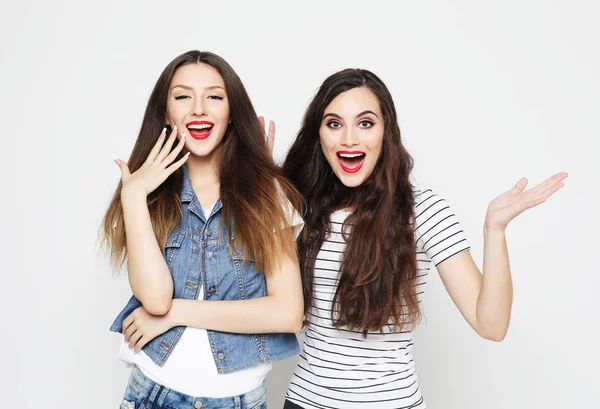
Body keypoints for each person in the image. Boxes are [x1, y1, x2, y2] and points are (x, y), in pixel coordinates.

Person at [279, 68, 567, 408]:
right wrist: (262, 188)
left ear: (386, 132)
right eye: (334, 124)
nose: (349, 140)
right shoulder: (298, 207)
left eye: (366, 123)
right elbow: (276, 307)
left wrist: (495, 230)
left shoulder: (422, 211)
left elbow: (492, 325)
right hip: (306, 401)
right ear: (319, 135)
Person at [101, 50, 304, 409]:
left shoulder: (266, 194)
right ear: (166, 113)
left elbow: (288, 314)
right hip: (153, 395)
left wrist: (177, 313)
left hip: (239, 401)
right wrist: (133, 196)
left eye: (214, 96)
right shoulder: (148, 197)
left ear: (231, 113)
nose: (198, 109)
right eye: (183, 96)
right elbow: (156, 299)